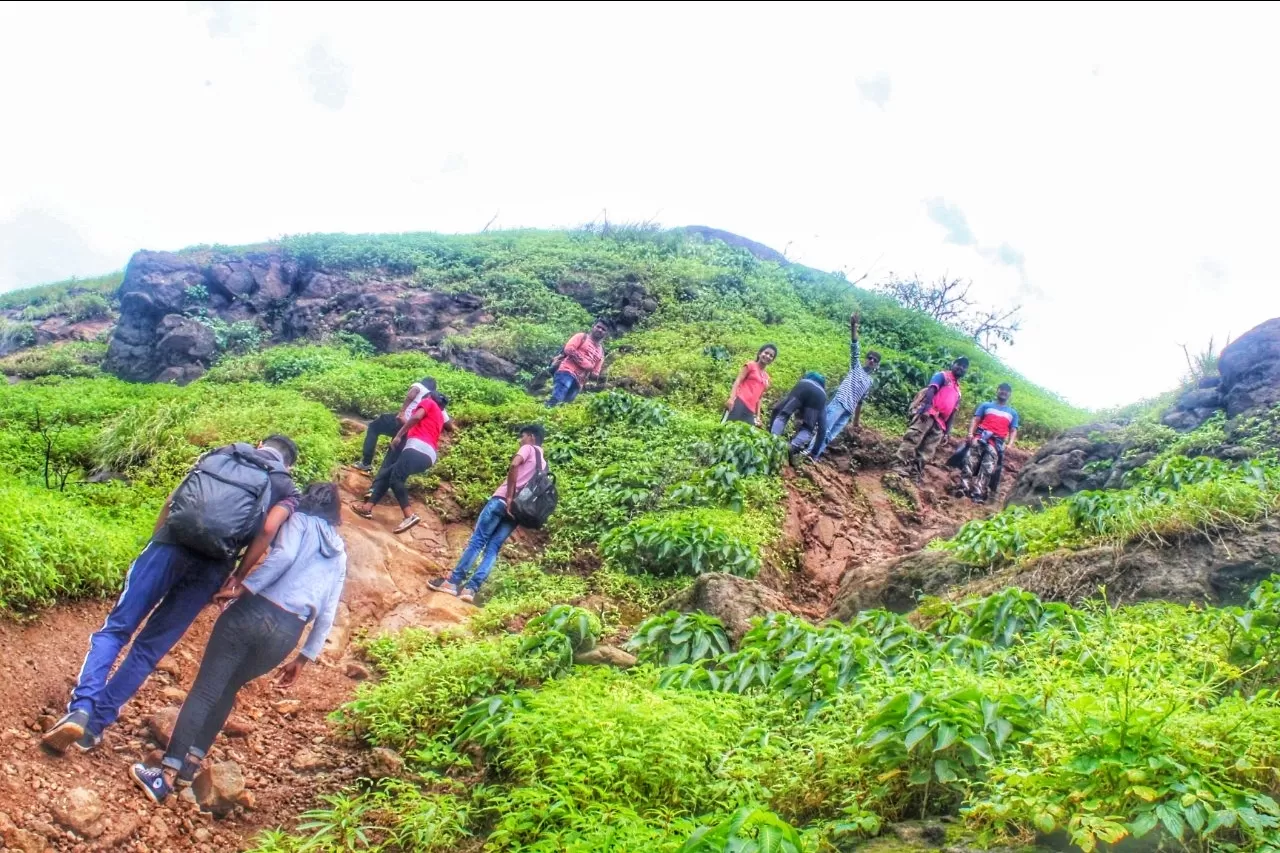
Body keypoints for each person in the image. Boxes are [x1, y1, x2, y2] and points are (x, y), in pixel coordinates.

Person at [42, 436, 300, 755]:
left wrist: (155, 543)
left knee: (115, 630)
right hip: (213, 566)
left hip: (168, 545)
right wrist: (238, 576)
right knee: (149, 649)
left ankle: (81, 708)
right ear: (289, 463)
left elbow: (171, 500)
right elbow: (267, 530)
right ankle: (93, 727)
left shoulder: (224, 453)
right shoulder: (285, 486)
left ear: (259, 443)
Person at [130, 482, 347, 803]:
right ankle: (189, 768)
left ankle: (164, 775)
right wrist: (304, 657)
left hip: (254, 612)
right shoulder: (340, 551)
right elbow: (328, 610)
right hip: (287, 633)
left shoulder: (298, 521)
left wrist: (243, 587)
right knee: (228, 689)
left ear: (307, 502)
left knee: (206, 688)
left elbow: (284, 556)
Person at [428, 424, 545, 604]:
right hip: (517, 511)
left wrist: (508, 496)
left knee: (478, 541)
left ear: (531, 437)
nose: (520, 440)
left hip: (501, 502)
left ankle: (452, 583)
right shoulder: (543, 464)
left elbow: (514, 464)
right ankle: (471, 589)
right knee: (493, 548)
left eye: (522, 437)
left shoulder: (528, 448)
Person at [350, 391, 446, 533]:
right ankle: (367, 508)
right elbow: (420, 424)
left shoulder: (429, 402)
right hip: (427, 455)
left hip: (417, 448)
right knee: (386, 475)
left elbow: (416, 417)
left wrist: (399, 435)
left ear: (430, 398)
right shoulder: (439, 416)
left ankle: (409, 516)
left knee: (396, 479)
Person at [812, 313, 880, 459]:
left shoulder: (869, 381)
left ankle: (815, 456)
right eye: (870, 358)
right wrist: (854, 327)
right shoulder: (856, 367)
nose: (872, 361)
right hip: (840, 402)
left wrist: (856, 421)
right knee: (825, 429)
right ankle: (809, 452)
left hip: (848, 411)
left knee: (831, 435)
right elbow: (854, 347)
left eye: (875, 360)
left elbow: (860, 401)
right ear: (865, 359)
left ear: (877, 365)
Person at [353, 377, 454, 473]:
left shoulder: (420, 386)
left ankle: (366, 463)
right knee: (392, 455)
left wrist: (402, 411)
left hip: (401, 421)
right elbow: (449, 426)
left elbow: (412, 393)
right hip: (412, 432)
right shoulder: (439, 406)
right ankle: (378, 486)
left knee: (374, 427)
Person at [893, 357, 969, 480]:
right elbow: (931, 390)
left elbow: (953, 412)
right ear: (953, 364)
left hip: (940, 422)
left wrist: (947, 432)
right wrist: (926, 409)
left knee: (927, 450)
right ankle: (899, 465)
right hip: (929, 413)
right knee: (913, 438)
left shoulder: (958, 391)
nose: (961, 368)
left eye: (964, 367)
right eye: (959, 364)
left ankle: (915, 473)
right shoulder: (943, 376)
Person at [959, 383, 1019, 503]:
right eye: (1002, 389)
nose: (1004, 392)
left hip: (996, 442)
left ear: (1009, 395)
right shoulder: (986, 405)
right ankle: (963, 488)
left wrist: (1010, 444)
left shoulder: (1012, 413)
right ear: (997, 391)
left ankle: (978, 493)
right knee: (969, 462)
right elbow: (976, 419)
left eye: (1007, 391)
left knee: (987, 468)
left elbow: (1013, 430)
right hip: (980, 436)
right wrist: (970, 434)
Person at [769, 372, 829, 465]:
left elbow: (776, 409)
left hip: (803, 386)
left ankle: (773, 440)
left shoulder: (803, 382)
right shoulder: (822, 394)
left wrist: (770, 430)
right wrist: (814, 453)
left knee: (783, 416)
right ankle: (791, 447)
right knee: (807, 429)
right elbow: (823, 429)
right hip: (819, 396)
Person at [547, 321, 607, 406]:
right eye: (598, 327)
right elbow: (569, 349)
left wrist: (596, 375)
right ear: (593, 326)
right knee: (556, 399)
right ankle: (544, 414)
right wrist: (587, 364)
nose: (600, 330)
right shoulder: (581, 337)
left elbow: (595, 372)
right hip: (566, 372)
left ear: (606, 333)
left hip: (579, 382)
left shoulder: (601, 351)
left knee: (564, 406)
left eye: (603, 329)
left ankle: (549, 417)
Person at [724, 344, 777, 426]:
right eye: (766, 353)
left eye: (771, 356)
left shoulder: (767, 377)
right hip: (739, 402)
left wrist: (758, 416)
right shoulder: (751, 365)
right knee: (726, 428)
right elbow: (738, 380)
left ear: (772, 360)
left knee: (742, 435)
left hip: (750, 411)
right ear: (759, 353)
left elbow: (759, 397)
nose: (768, 356)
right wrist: (731, 399)